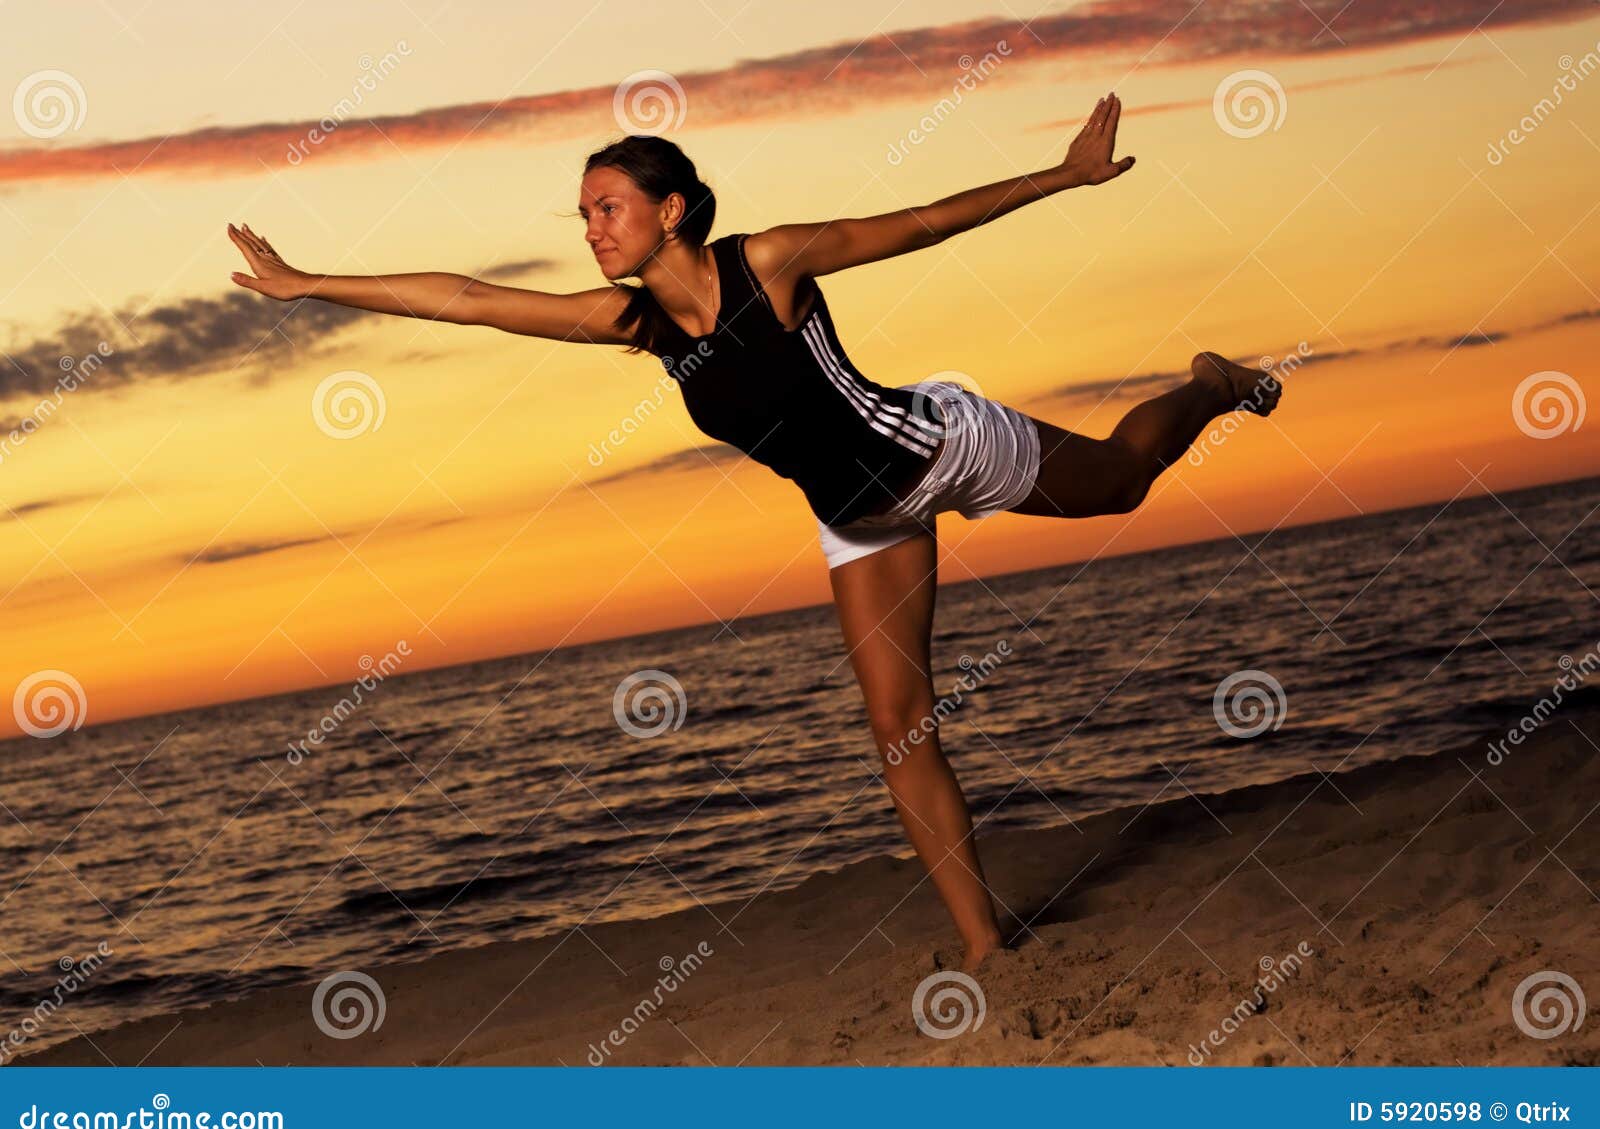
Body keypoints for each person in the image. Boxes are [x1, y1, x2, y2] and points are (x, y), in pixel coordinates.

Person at [226, 92, 1281, 970]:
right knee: (897, 729)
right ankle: (981, 945)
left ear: (670, 209)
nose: (591, 228)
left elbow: (920, 222)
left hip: (936, 446)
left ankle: (1208, 383)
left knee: (1125, 480)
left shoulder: (766, 263)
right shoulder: (631, 324)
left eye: (607, 207)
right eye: (583, 215)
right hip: (859, 520)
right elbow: (465, 300)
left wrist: (1062, 175)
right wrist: (308, 280)